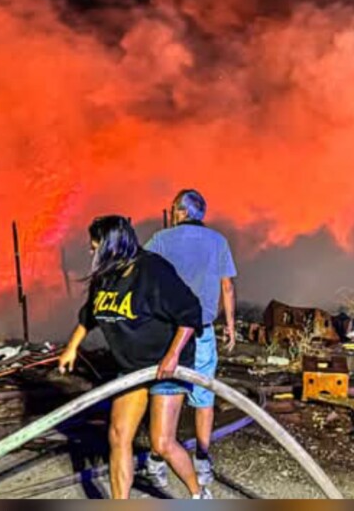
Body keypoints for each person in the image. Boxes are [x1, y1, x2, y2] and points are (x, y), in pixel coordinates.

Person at [57, 215, 211, 499]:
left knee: (162, 442)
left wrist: (173, 356)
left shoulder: (153, 271)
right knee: (118, 435)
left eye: (95, 247)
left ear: (113, 246)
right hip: (131, 367)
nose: (91, 252)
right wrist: (71, 348)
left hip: (167, 364)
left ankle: (198, 494)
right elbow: (89, 315)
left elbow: (190, 314)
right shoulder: (105, 276)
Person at [143, 189, 237, 489]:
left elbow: (141, 275)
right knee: (204, 397)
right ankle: (202, 458)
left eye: (174, 210)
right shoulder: (219, 242)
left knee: (166, 394)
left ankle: (157, 459)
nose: (172, 214)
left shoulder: (160, 240)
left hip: (168, 334)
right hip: (203, 331)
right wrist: (231, 325)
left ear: (180, 211)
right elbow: (227, 288)